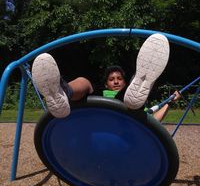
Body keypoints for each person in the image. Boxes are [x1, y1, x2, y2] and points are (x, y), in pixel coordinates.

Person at [32, 33, 180, 121]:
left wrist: (168, 102)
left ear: (125, 81)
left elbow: (153, 121)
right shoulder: (100, 93)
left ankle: (142, 78)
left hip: (127, 111)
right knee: (85, 83)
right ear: (106, 84)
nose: (116, 81)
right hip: (100, 117)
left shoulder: (129, 95)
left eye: (119, 78)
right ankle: (63, 91)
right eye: (111, 79)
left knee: (132, 101)